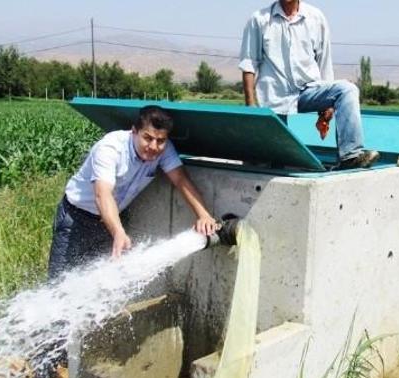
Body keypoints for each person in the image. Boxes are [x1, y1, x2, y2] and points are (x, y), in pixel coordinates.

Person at [47, 105, 218, 279]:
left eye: (160, 140)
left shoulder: (163, 150)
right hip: (76, 219)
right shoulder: (110, 148)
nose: (154, 146)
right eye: (148, 138)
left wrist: (203, 215)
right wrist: (118, 232)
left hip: (112, 221)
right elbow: (103, 194)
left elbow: (181, 180)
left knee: (102, 282)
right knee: (59, 283)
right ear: (134, 131)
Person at [239, 0, 380, 170]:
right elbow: (249, 64)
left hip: (307, 91)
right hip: (273, 97)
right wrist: (251, 108)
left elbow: (324, 62)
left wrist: (327, 108)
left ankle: (350, 156)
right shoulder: (259, 20)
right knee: (269, 163)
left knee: (347, 89)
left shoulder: (316, 18)